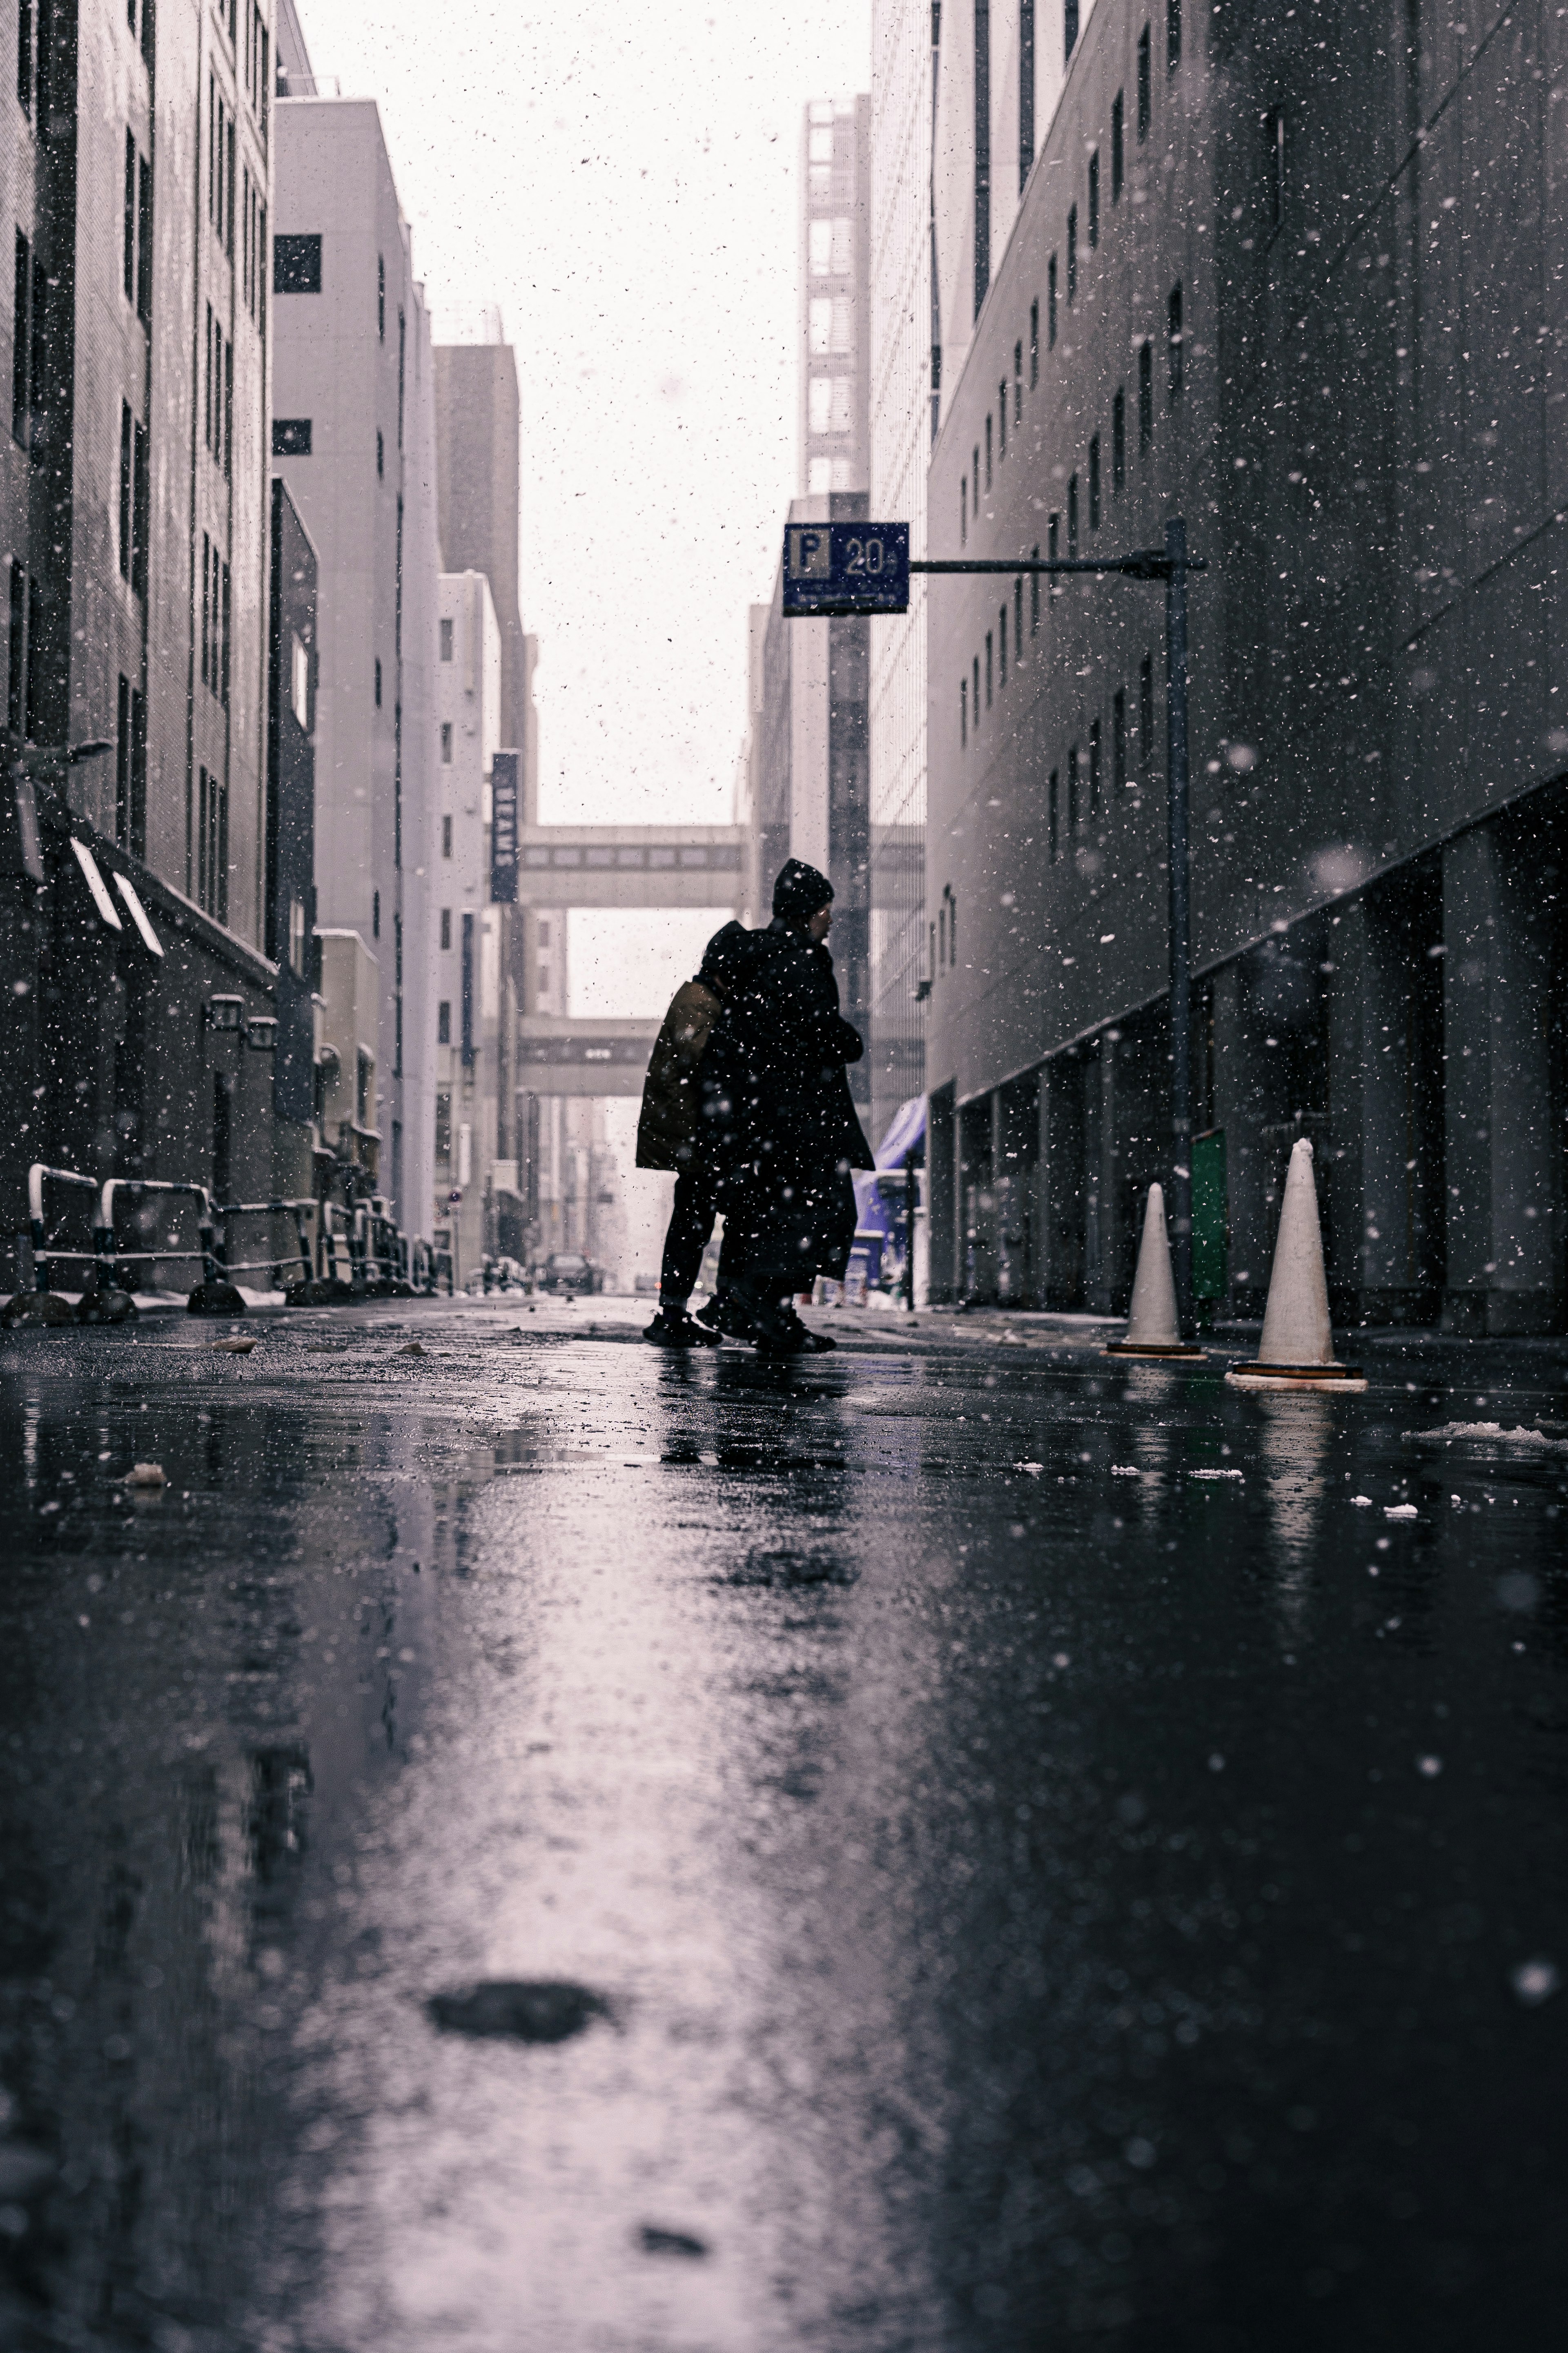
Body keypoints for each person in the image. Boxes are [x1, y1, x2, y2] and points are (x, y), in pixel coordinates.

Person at [701, 858, 873, 1355]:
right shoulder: (796, 962)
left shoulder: (760, 957)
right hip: (799, 1117)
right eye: (825, 909)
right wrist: (846, 1040)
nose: (831, 919)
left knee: (762, 1211)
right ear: (808, 912)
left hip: (760, 1114)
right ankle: (769, 1308)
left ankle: (745, 1303)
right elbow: (815, 1031)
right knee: (809, 1214)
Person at [635, 919, 749, 1346]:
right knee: (696, 1222)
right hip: (699, 1138)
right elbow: (699, 1055)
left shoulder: (702, 999)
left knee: (696, 1221)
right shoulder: (699, 1001)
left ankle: (680, 1311)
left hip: (701, 1138)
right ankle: (678, 1312)